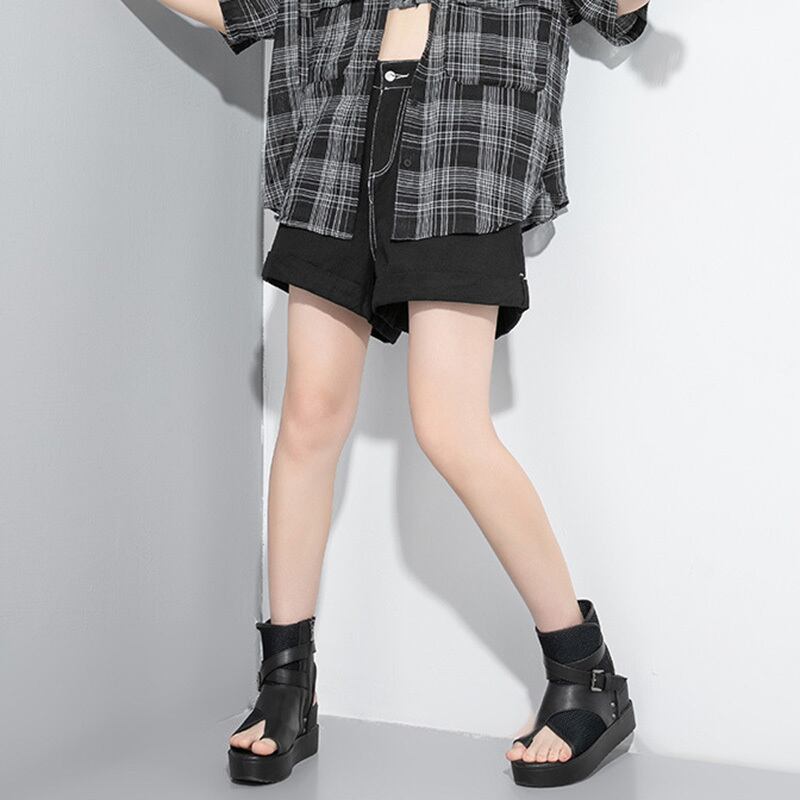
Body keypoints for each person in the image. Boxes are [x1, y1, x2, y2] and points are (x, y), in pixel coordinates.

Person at [159, 0, 649, 787]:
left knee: (450, 427)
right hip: (337, 145)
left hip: (467, 148)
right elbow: (235, 8)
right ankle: (287, 684)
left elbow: (619, 9)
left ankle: (585, 671)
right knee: (309, 418)